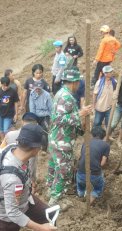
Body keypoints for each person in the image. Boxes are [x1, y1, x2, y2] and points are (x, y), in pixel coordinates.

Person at [47, 68, 93, 206]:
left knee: (54, 166)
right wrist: (80, 114)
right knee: (63, 171)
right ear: (74, 82)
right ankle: (55, 200)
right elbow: (59, 119)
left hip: (57, 138)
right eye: (78, 81)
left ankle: (52, 190)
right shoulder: (66, 97)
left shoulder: (62, 94)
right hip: (62, 140)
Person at [76, 126, 110, 204]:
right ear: (104, 136)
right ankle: (89, 202)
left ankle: (80, 196)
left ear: (92, 134)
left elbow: (81, 156)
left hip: (81, 172)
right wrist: (98, 168)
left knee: (80, 186)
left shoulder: (86, 142)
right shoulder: (106, 145)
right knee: (99, 187)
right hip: (94, 174)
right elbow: (103, 163)